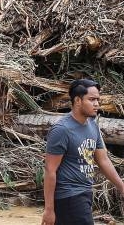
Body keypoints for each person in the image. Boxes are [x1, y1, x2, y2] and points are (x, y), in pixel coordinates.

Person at [43, 79, 124, 225]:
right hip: (68, 196)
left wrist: (121, 187)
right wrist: (49, 209)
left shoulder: (92, 125)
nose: (97, 104)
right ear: (78, 100)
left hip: (85, 193)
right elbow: (50, 170)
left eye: (98, 100)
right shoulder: (62, 130)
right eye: (92, 99)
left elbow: (103, 160)